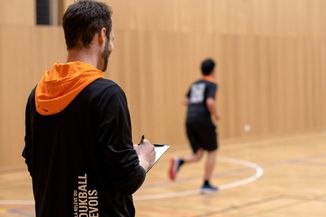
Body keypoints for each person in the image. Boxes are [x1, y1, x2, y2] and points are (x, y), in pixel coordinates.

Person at [22, 1, 155, 216]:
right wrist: (144, 158)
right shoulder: (107, 94)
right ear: (102, 35)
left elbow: (34, 161)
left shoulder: (37, 94)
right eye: (112, 39)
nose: (112, 46)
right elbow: (128, 178)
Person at [169, 58, 220, 194]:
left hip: (190, 119)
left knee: (198, 153)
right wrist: (216, 115)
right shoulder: (212, 84)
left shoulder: (195, 84)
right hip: (202, 120)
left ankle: (179, 161)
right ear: (213, 70)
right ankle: (206, 184)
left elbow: (185, 101)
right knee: (212, 151)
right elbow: (210, 102)